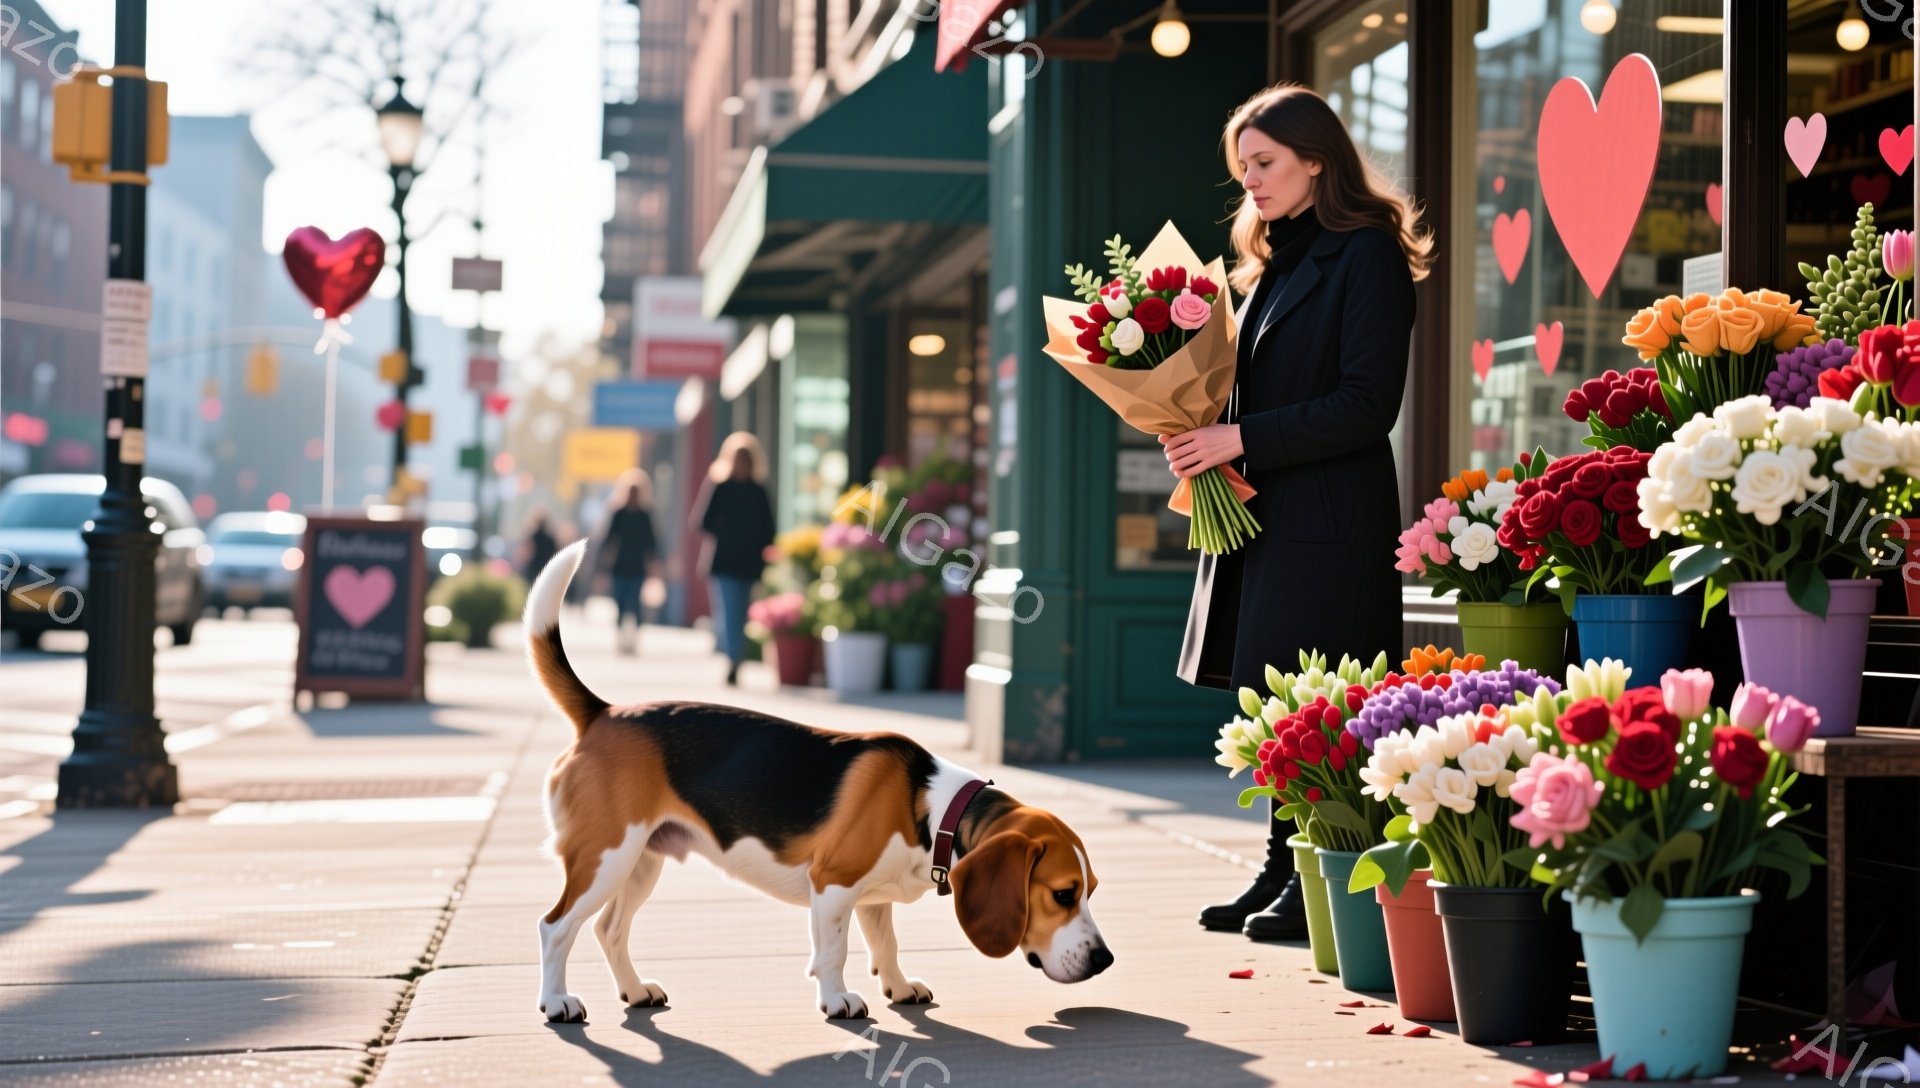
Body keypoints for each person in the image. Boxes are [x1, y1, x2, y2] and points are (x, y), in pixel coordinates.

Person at [1161, 84, 1431, 943]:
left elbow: (1366, 404)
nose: (1253, 183)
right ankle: (1282, 867)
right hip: (1266, 512)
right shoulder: (1273, 261)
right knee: (1272, 704)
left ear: (1319, 159)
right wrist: (1201, 429)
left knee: (1318, 702)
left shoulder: (1369, 256)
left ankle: (1317, 869)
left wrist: (1239, 438)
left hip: (1328, 516)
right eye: (1244, 170)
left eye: (1266, 164)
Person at [694, 432, 775, 686]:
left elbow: (769, 528)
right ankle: (734, 659)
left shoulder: (758, 491)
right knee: (728, 611)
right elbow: (702, 522)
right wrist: (728, 531)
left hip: (749, 563)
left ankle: (734, 653)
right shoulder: (720, 486)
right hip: (724, 561)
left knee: (740, 614)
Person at [597, 470, 661, 655]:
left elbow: (652, 543)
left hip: (638, 566)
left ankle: (633, 638)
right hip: (619, 565)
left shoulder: (645, 515)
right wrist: (601, 567)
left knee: (635, 603)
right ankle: (620, 636)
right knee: (620, 602)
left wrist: (655, 565)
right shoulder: (618, 514)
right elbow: (608, 540)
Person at [521, 508, 558, 585]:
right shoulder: (550, 539)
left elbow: (526, 555)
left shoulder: (532, 538)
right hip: (546, 573)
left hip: (532, 573)